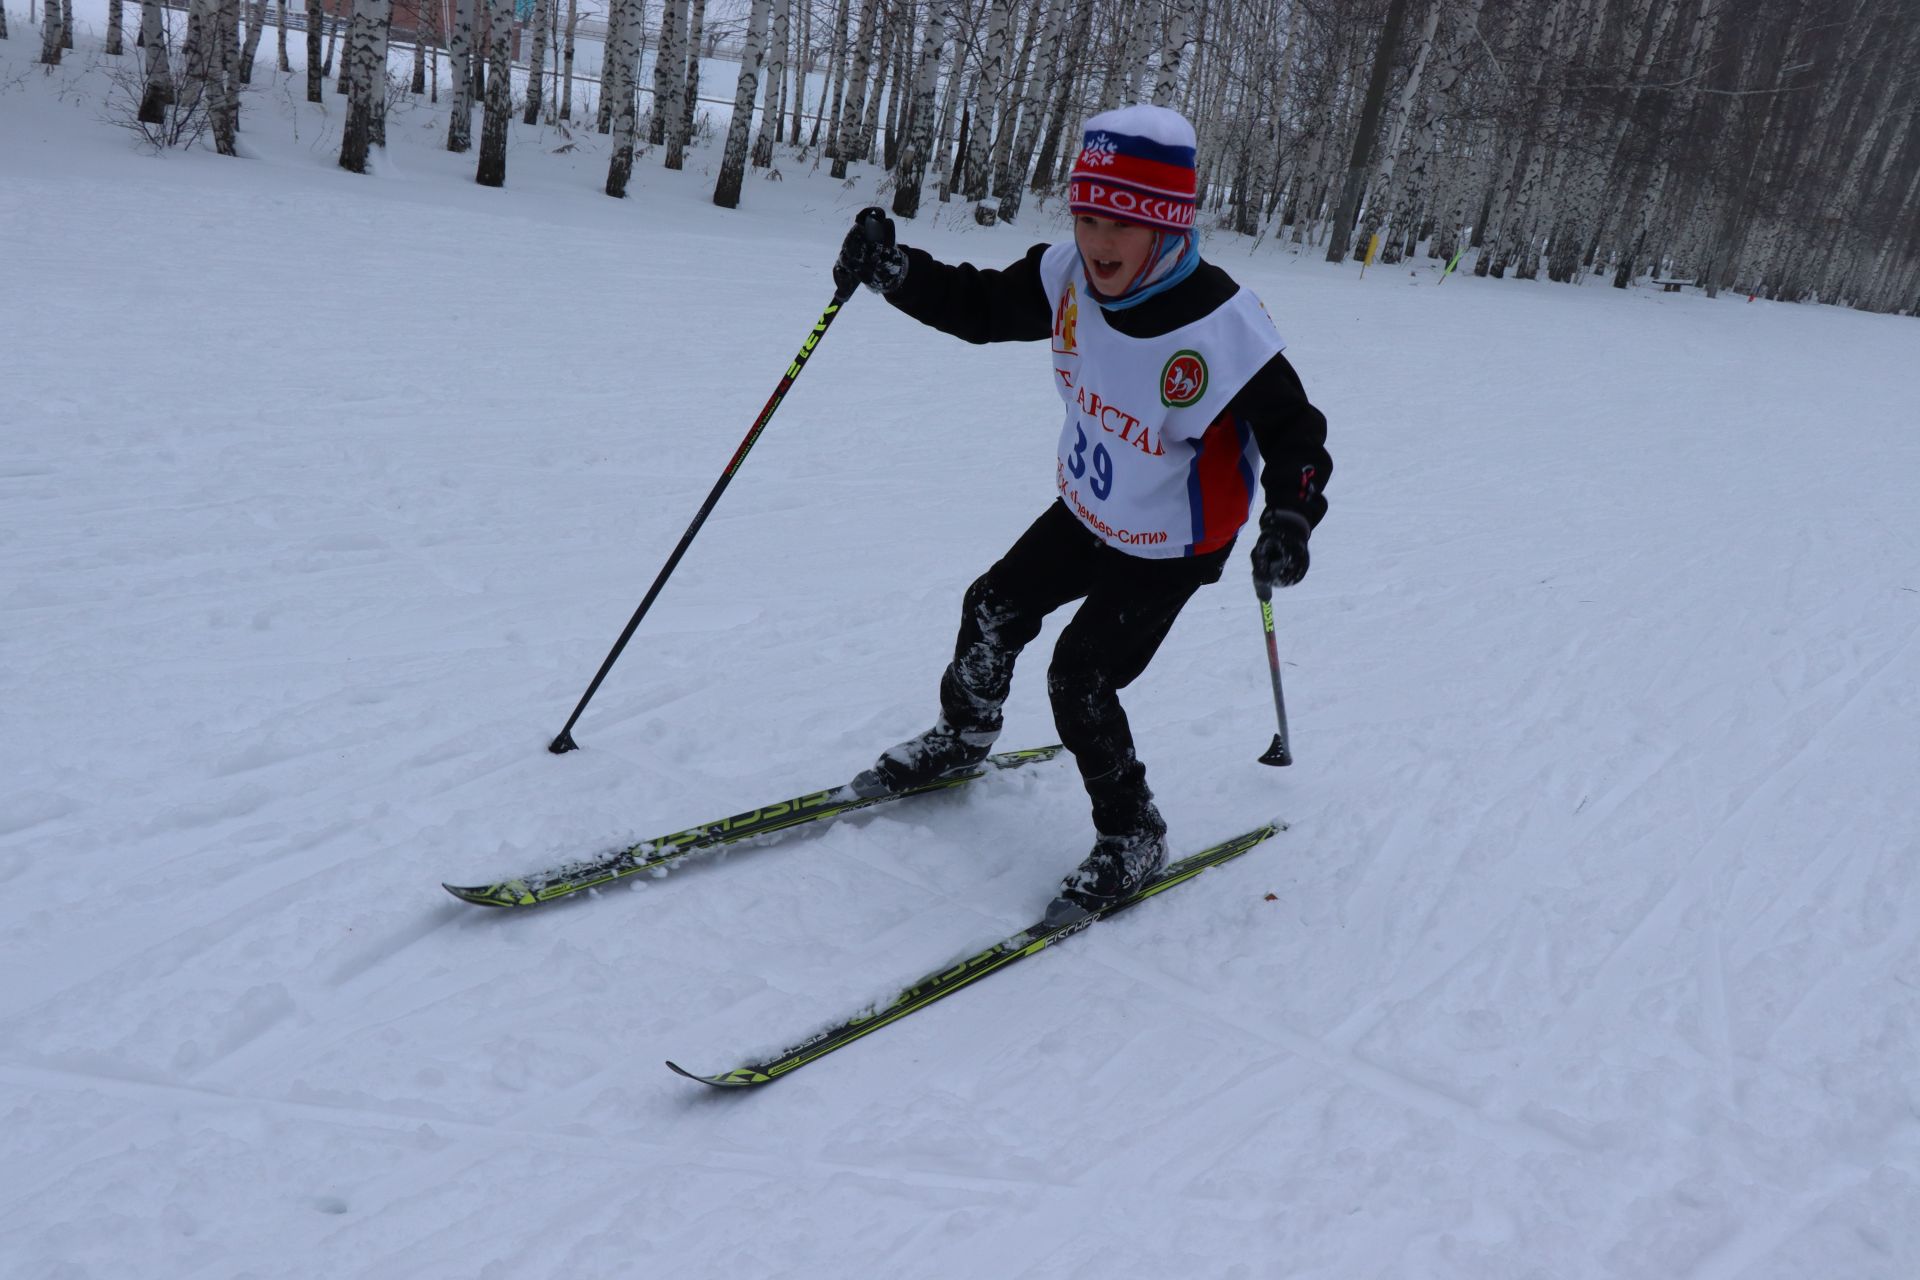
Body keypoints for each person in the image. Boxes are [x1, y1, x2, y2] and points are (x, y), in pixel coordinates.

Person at [833, 104, 1331, 917]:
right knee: (992, 606)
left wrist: (1291, 517)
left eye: (1121, 224)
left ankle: (1132, 831)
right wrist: (897, 272)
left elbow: (1295, 433)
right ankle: (963, 737)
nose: (1099, 241)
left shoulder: (1222, 328)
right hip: (1092, 507)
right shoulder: (1068, 276)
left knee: (1081, 676)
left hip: (1173, 541)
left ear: (1165, 228)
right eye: (1087, 214)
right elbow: (985, 307)